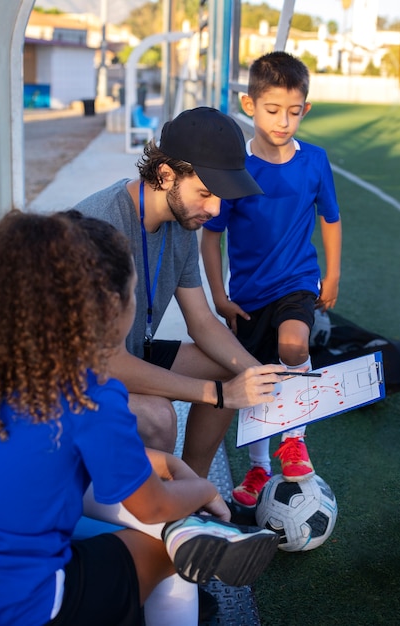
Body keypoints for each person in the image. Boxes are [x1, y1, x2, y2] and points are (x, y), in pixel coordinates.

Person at [0, 210, 280, 626]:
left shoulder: (5, 367)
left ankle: (193, 532)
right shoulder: (89, 394)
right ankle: (193, 535)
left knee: (149, 510)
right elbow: (153, 504)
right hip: (24, 607)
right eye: (133, 291)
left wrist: (167, 463)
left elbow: (53, 457)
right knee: (171, 550)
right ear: (111, 309)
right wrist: (200, 489)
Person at [75, 106, 288, 482]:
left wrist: (256, 372)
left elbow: (203, 321)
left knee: (231, 367)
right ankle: (159, 522)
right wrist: (217, 395)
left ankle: (195, 494)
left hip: (129, 352)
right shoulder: (99, 228)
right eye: (205, 193)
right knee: (159, 417)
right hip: (73, 375)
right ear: (165, 174)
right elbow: (106, 363)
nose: (215, 208)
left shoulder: (181, 223)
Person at [201, 51, 342, 509]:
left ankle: (294, 441)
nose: (284, 121)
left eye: (294, 111)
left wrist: (333, 275)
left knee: (294, 348)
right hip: (246, 297)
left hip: (298, 283)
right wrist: (219, 296)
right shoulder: (236, 169)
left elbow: (331, 220)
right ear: (249, 105)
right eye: (272, 109)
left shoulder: (315, 161)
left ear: (307, 109)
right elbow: (211, 238)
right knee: (258, 378)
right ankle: (260, 465)